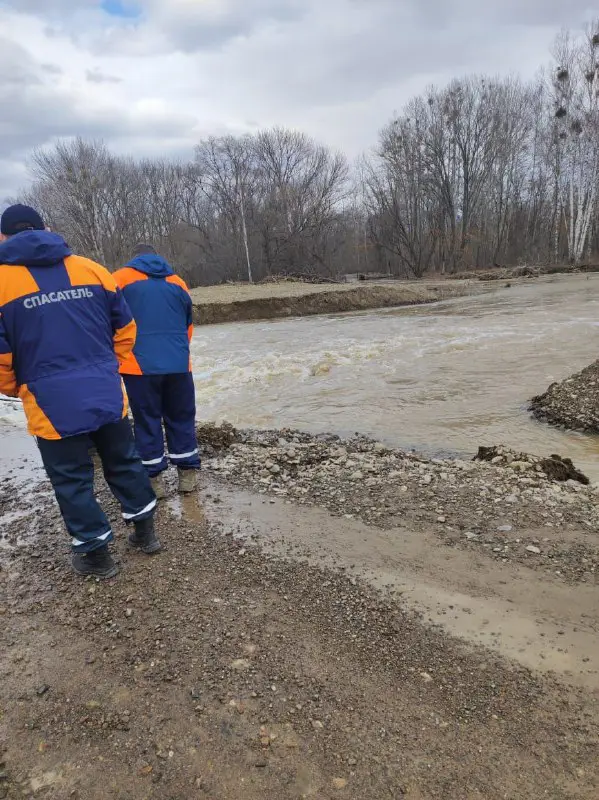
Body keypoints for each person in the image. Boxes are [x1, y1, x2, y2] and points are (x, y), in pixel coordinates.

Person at [0, 205, 161, 578]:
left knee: (71, 478)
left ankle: (97, 555)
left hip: (48, 399)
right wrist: (109, 368)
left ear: (3, 238)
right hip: (105, 389)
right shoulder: (93, 269)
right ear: (46, 228)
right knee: (124, 461)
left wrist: (16, 387)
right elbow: (126, 328)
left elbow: (2, 356)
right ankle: (145, 533)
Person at [113, 245, 201, 499]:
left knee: (147, 420)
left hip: (138, 367)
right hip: (178, 364)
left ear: (135, 259)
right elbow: (188, 326)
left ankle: (155, 482)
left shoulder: (118, 279)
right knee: (182, 417)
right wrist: (178, 354)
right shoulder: (178, 282)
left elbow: (112, 322)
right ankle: (187, 477)